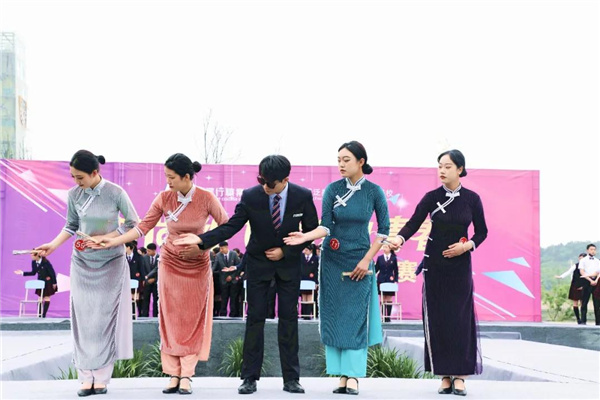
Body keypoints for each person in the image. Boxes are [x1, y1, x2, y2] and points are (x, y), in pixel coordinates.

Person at [174, 154, 319, 395]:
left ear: (285, 180)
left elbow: (311, 231)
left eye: (270, 183)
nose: (265, 186)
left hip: (288, 266)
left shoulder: (302, 196)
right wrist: (201, 241)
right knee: (254, 320)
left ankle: (292, 379)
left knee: (289, 320)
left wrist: (285, 251)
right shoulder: (251, 196)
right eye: (261, 180)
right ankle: (249, 378)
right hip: (258, 266)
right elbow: (232, 226)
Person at [91, 153, 229, 395]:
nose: (168, 181)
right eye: (166, 176)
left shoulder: (206, 198)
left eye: (172, 177)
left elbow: (226, 226)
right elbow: (143, 226)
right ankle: (173, 373)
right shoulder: (164, 198)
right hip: (170, 264)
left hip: (197, 266)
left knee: (192, 319)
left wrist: (202, 244)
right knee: (170, 318)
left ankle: (187, 374)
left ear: (187, 177)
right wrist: (113, 240)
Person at [284, 141, 389, 395]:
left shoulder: (374, 192)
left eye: (346, 160)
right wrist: (305, 236)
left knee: (355, 317)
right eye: (339, 160)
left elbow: (384, 230)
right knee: (334, 317)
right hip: (332, 261)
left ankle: (353, 376)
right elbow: (326, 226)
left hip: (360, 260)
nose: (341, 164)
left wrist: (366, 260)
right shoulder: (332, 189)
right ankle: (341, 374)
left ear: (361, 162)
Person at [34, 150, 139, 397]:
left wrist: (108, 237)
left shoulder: (115, 192)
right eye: (72, 177)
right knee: (82, 319)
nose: (75, 182)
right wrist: (52, 245)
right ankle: (85, 377)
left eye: (80, 177)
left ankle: (101, 378)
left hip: (111, 262)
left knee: (104, 319)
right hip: (82, 262)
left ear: (94, 173)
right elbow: (71, 225)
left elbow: (133, 223)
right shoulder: (74, 194)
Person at [387, 149, 488, 396]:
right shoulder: (432, 197)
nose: (442, 170)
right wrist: (400, 238)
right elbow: (413, 222)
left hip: (460, 267)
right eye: (440, 166)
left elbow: (482, 232)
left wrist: (466, 246)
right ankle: (443, 375)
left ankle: (461, 376)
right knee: (438, 319)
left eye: (447, 166)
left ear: (460, 169)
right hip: (434, 266)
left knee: (460, 319)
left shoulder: (472, 199)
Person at [14, 252, 58, 318]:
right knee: (40, 298)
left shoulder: (46, 263)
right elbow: (33, 272)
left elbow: (52, 273)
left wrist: (54, 283)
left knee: (47, 297)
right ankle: (39, 314)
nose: (31, 257)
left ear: (37, 255)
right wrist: (22, 273)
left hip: (48, 282)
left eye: (32, 255)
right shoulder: (34, 262)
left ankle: (44, 315)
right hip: (40, 281)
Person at [555, 253, 588, 324]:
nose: (580, 260)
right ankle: (578, 319)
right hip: (575, 285)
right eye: (580, 258)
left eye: (582, 258)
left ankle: (583, 319)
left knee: (583, 303)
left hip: (584, 286)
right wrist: (561, 276)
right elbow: (569, 272)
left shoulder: (588, 267)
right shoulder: (575, 266)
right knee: (575, 303)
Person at [214, 241, 241, 316]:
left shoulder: (234, 254)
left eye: (222, 248)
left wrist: (232, 276)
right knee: (224, 298)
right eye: (220, 248)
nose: (221, 250)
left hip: (233, 280)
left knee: (233, 298)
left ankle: (233, 314)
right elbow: (215, 267)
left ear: (226, 247)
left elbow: (238, 267)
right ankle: (223, 314)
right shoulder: (218, 255)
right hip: (223, 280)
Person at [375, 244, 398, 322]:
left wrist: (395, 280)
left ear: (390, 248)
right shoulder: (380, 258)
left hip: (390, 280)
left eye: (386, 247)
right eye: (383, 247)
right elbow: (376, 269)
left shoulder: (393, 258)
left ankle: (388, 316)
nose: (384, 248)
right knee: (382, 298)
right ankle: (383, 316)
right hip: (381, 280)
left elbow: (396, 271)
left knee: (389, 298)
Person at [579, 244, 600, 325]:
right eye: (591, 249)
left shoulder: (597, 261)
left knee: (597, 303)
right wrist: (590, 280)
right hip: (586, 281)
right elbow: (582, 272)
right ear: (587, 250)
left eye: (594, 249)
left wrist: (596, 280)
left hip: (596, 282)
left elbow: (598, 272)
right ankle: (583, 321)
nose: (593, 251)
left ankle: (598, 322)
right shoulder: (583, 260)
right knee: (584, 302)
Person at [299, 244, 319, 319]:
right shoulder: (301, 257)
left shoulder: (315, 259)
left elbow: (317, 271)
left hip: (311, 280)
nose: (304, 251)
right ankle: (304, 315)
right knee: (304, 297)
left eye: (306, 250)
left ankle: (308, 315)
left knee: (310, 297)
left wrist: (316, 282)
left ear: (311, 251)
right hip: (303, 280)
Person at [141, 243, 160, 318]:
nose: (147, 252)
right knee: (145, 300)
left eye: (149, 251)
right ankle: (144, 316)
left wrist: (154, 279)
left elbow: (159, 270)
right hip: (147, 283)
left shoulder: (160, 258)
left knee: (156, 300)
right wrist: (146, 279)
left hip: (156, 283)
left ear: (154, 250)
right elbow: (143, 270)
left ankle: (156, 316)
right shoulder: (144, 258)